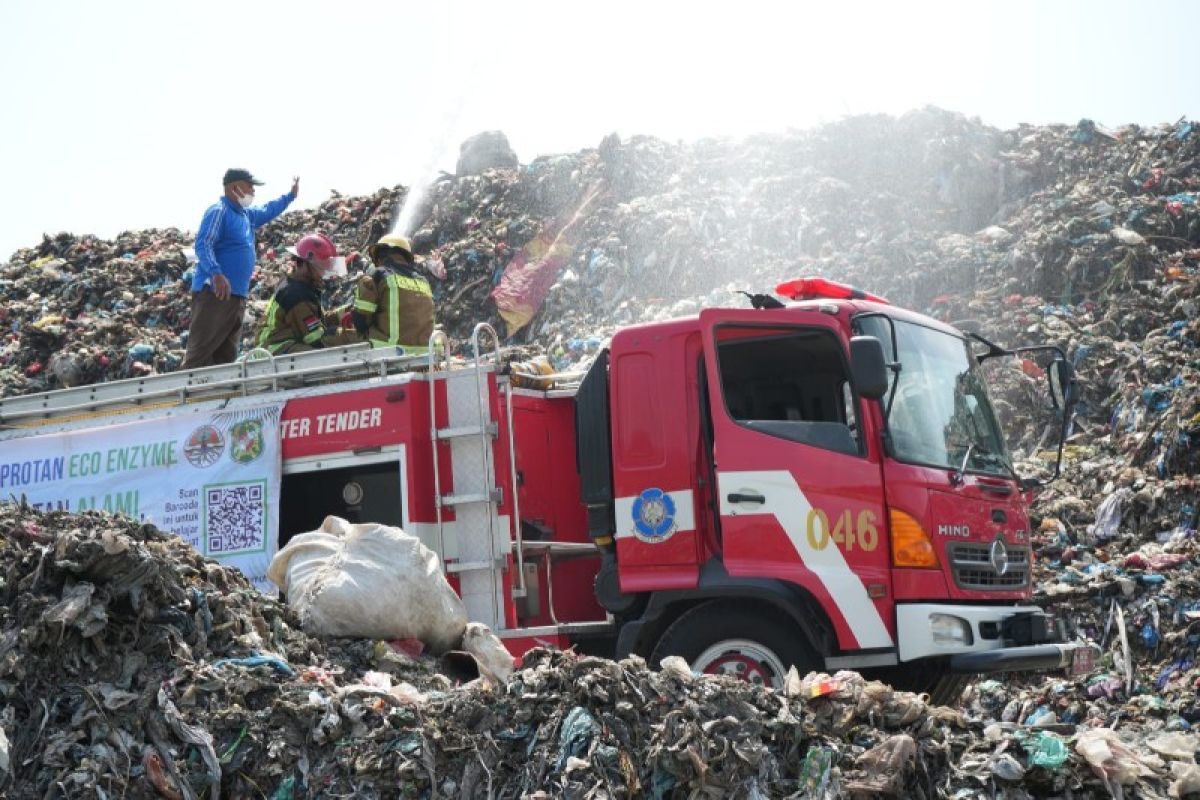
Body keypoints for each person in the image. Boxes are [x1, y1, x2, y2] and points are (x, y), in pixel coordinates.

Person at [182, 168, 299, 368]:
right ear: (234, 188)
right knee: (200, 356)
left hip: (236, 296)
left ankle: (219, 397)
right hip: (214, 293)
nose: (253, 191)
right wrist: (216, 273)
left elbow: (267, 210)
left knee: (225, 357)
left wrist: (290, 197)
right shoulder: (219, 211)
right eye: (249, 186)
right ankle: (188, 396)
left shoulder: (245, 215)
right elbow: (203, 244)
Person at [255, 233, 359, 355]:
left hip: (281, 345)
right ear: (303, 264)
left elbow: (321, 320)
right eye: (320, 267)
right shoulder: (295, 294)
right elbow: (315, 338)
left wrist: (350, 311)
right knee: (321, 354)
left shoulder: (300, 285)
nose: (324, 273)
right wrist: (354, 336)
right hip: (275, 349)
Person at [351, 234, 435, 353]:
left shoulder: (377, 276)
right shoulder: (423, 281)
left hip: (391, 351)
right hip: (426, 353)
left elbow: (361, 321)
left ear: (381, 256)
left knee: (331, 335)